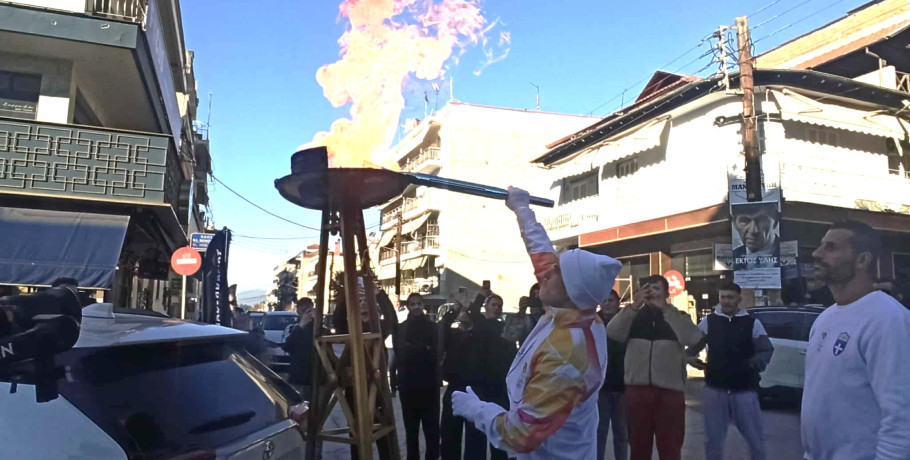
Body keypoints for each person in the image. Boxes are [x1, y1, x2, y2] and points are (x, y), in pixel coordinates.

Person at [450, 187, 622, 460]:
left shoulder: (567, 354)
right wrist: (522, 210)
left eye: (557, 272)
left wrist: (475, 409)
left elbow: (519, 434)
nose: (546, 272)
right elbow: (542, 254)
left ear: (572, 291)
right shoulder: (577, 311)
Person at [801, 221, 910, 460]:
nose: (816, 254)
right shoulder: (825, 318)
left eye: (830, 247)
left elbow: (901, 416)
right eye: (820, 246)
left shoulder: (888, 319)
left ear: (862, 260)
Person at [606, 275, 703, 460]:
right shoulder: (632, 317)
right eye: (647, 289)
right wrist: (634, 305)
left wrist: (666, 309)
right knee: (638, 447)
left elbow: (694, 338)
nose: (651, 293)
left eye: (656, 289)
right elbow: (613, 332)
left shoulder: (678, 316)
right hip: (637, 390)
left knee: (671, 447)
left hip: (670, 391)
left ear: (667, 292)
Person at [686, 283, 773, 460]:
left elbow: (766, 350)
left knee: (755, 440)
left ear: (739, 299)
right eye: (722, 297)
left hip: (744, 391)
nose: (726, 301)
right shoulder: (708, 322)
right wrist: (689, 359)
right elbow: (692, 347)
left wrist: (754, 364)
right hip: (714, 390)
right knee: (713, 441)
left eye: (730, 297)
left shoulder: (752, 323)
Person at [440, 294, 495, 460]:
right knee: (449, 435)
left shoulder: (482, 335)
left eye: (467, 311)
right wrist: (454, 310)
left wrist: (474, 303)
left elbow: (483, 323)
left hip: (475, 389)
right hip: (454, 387)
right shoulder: (453, 335)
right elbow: (442, 327)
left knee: (475, 437)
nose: (464, 312)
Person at [391, 293, 440, 460]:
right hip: (408, 387)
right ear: (408, 306)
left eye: (419, 303)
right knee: (411, 433)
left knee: (432, 431)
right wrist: (422, 349)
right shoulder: (401, 328)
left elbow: (437, 353)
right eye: (413, 304)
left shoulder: (433, 327)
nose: (416, 307)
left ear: (423, 305)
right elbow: (400, 354)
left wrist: (417, 349)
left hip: (429, 387)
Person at [597, 290, 629, 460]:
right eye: (604, 300)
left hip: (623, 386)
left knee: (621, 433)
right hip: (600, 387)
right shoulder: (593, 322)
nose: (607, 303)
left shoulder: (626, 321)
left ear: (618, 303)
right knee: (599, 433)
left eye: (611, 300)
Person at [731, 202, 780, 270]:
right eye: (744, 221)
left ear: (775, 222)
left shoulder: (791, 253)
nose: (753, 230)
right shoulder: (732, 256)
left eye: (762, 220)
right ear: (734, 223)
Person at [283, 298, 315, 397]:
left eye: (308, 310)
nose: (306, 313)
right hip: (299, 378)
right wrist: (301, 326)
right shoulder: (293, 328)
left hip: (317, 378)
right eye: (303, 310)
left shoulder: (319, 328)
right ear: (298, 311)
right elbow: (287, 347)